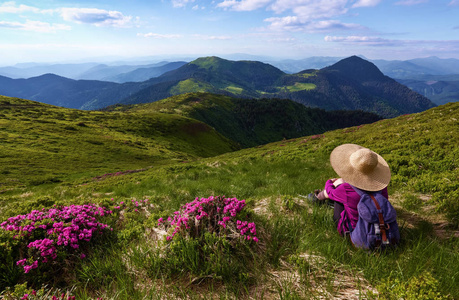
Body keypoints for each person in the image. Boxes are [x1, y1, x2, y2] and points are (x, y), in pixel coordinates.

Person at [312, 143, 391, 236]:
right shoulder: (382, 187)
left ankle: (316, 198)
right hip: (383, 229)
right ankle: (317, 198)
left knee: (338, 197)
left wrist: (330, 182)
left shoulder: (346, 189)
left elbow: (330, 192)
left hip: (356, 233)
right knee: (342, 195)